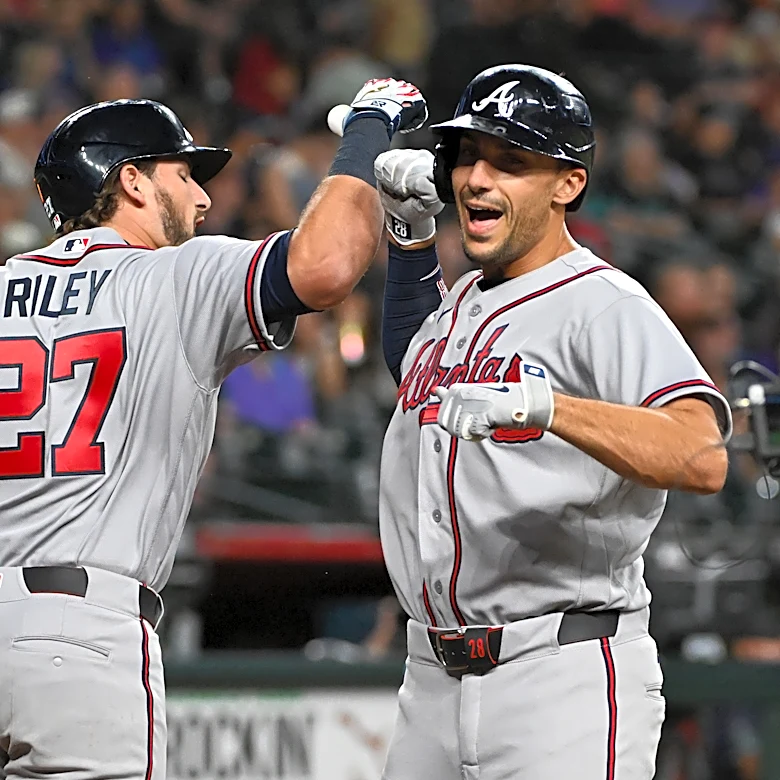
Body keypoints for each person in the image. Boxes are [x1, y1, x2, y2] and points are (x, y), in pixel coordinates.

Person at [0, 80, 426, 779]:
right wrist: (368, 130)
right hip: (77, 636)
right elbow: (327, 266)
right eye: (183, 173)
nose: (202, 198)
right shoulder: (174, 275)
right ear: (130, 181)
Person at [373, 64, 732, 780]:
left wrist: (549, 409)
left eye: (510, 162)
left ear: (568, 182)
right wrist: (409, 241)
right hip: (431, 679)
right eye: (467, 157)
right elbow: (415, 373)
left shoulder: (602, 302)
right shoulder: (466, 298)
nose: (476, 178)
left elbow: (703, 453)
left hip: (558, 675)